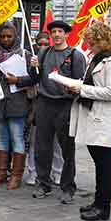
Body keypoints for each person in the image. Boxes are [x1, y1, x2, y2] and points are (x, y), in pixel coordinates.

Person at [69, 23, 111, 221]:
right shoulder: (98, 59)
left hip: (104, 117)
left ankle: (103, 208)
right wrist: (77, 86)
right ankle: (98, 202)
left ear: (103, 42)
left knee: (103, 163)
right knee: (99, 161)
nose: (89, 47)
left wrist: (81, 89)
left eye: (92, 43)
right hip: (93, 114)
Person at [29, 20, 87, 203]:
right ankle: (43, 183)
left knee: (67, 150)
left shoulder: (76, 56)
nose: (56, 35)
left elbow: (80, 84)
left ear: (66, 34)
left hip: (65, 106)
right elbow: (35, 78)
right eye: (53, 31)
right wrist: (33, 66)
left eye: (60, 31)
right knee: (41, 148)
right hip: (44, 104)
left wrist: (69, 88)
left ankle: (68, 188)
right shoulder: (43, 52)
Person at [0, 22, 33, 189]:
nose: (6, 39)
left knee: (17, 138)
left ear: (16, 37)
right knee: (2, 138)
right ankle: (1, 172)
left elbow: (34, 78)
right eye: (3, 36)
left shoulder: (25, 54)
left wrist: (18, 80)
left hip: (17, 102)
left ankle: (16, 175)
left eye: (9, 36)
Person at [24, 32, 64, 186]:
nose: (42, 47)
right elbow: (32, 78)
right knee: (35, 142)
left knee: (57, 143)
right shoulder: (35, 58)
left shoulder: (57, 57)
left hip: (56, 105)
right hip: (38, 106)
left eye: (45, 44)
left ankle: (57, 172)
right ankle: (33, 172)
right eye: (39, 44)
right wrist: (34, 68)